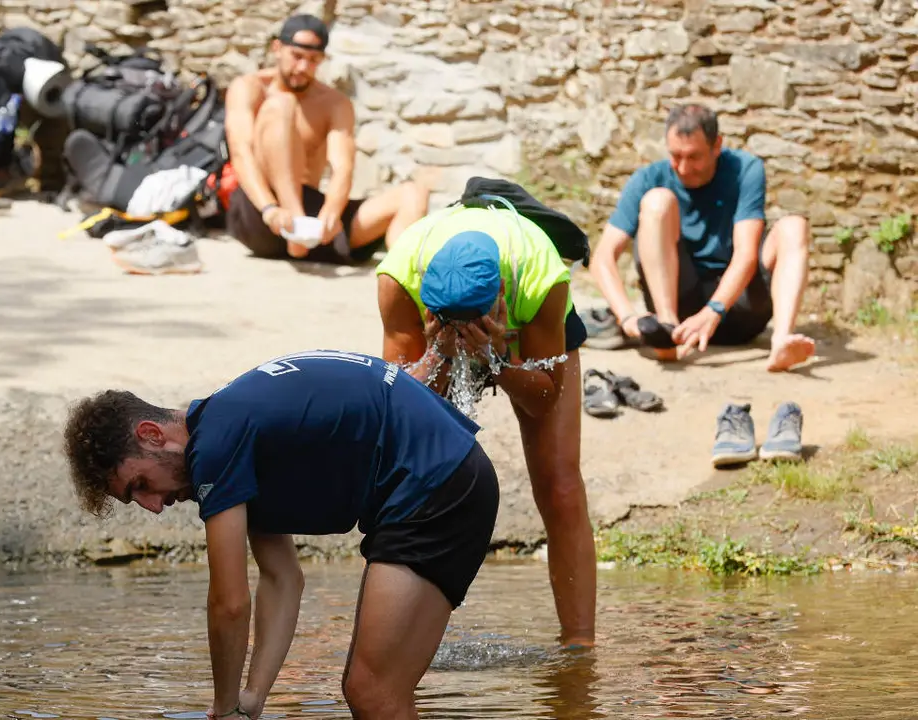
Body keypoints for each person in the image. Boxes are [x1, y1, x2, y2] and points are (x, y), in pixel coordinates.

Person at [61, 349, 500, 719]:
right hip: (450, 473)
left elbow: (229, 603)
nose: (153, 506)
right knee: (379, 690)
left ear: (152, 434)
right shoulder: (229, 433)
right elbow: (282, 579)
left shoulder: (216, 446)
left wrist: (224, 707)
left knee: (371, 690)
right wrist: (252, 698)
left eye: (139, 485)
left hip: (437, 481)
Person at [374, 193, 597, 650]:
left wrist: (495, 361)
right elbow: (398, 409)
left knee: (560, 484)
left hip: (528, 331)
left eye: (471, 320)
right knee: (404, 481)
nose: (461, 328)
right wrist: (438, 351)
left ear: (498, 295)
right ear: (429, 309)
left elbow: (543, 399)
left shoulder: (541, 274)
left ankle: (579, 648)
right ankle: (393, 638)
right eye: (448, 321)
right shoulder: (400, 277)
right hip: (440, 327)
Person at [586, 102, 815, 373]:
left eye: (693, 156)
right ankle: (668, 331)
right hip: (682, 309)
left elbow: (746, 254)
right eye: (675, 156)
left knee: (794, 226)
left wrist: (713, 311)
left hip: (739, 308)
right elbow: (602, 257)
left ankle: (782, 343)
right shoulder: (649, 178)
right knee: (657, 201)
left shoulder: (745, 169)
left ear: (717, 145)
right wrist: (627, 318)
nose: (682, 168)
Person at [223, 13, 429, 265]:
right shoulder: (249, 87)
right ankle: (294, 224)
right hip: (261, 210)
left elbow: (343, 166)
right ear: (277, 48)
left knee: (414, 194)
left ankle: (403, 278)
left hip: (314, 222)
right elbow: (241, 152)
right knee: (282, 104)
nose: (303, 68)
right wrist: (270, 210)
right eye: (297, 57)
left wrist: (331, 210)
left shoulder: (334, 103)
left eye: (313, 60)